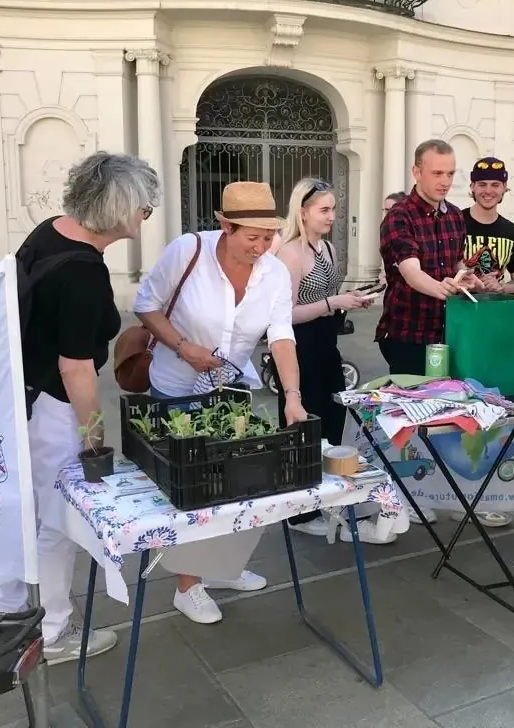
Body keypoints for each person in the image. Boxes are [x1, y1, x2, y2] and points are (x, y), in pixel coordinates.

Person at [0, 152, 160, 663]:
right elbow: (77, 369)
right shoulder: (84, 273)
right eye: (144, 208)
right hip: (51, 406)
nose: (146, 216)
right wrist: (94, 437)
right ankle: (54, 632)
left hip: (18, 395)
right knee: (58, 519)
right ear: (120, 209)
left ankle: (7, 608)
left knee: (20, 509)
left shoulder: (50, 231)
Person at [132, 181, 308, 625]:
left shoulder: (274, 273)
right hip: (175, 391)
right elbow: (146, 306)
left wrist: (292, 397)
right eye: (251, 236)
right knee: (189, 494)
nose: (261, 246)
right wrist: (181, 346)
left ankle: (224, 567)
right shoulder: (187, 251)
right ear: (225, 225)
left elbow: (282, 337)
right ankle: (187, 586)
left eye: (269, 236)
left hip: (231, 392)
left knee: (235, 487)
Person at [273, 178, 392, 545]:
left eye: (333, 209)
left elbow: (327, 296)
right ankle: (299, 511)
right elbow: (283, 315)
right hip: (299, 348)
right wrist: (333, 304)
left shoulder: (326, 249)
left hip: (326, 345)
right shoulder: (290, 253)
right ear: (303, 211)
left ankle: (323, 496)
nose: (332, 217)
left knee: (333, 418)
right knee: (302, 426)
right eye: (324, 209)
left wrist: (350, 298)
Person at [377, 139, 481, 376]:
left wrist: (466, 279)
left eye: (450, 173)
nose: (445, 181)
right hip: (408, 336)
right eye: (437, 173)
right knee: (414, 408)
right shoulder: (399, 216)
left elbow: (457, 263)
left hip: (449, 332)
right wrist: (441, 288)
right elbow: (410, 271)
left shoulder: (455, 215)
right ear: (416, 172)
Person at [462, 157, 514, 293]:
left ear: (504, 188)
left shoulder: (513, 232)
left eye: (495, 185)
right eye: (482, 184)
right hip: (456, 307)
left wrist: (500, 287)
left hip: (495, 309)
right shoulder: (454, 223)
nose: (488, 191)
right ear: (472, 186)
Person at [378, 192, 407, 286]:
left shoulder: (408, 228)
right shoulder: (385, 227)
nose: (388, 214)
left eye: (391, 210)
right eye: (386, 210)